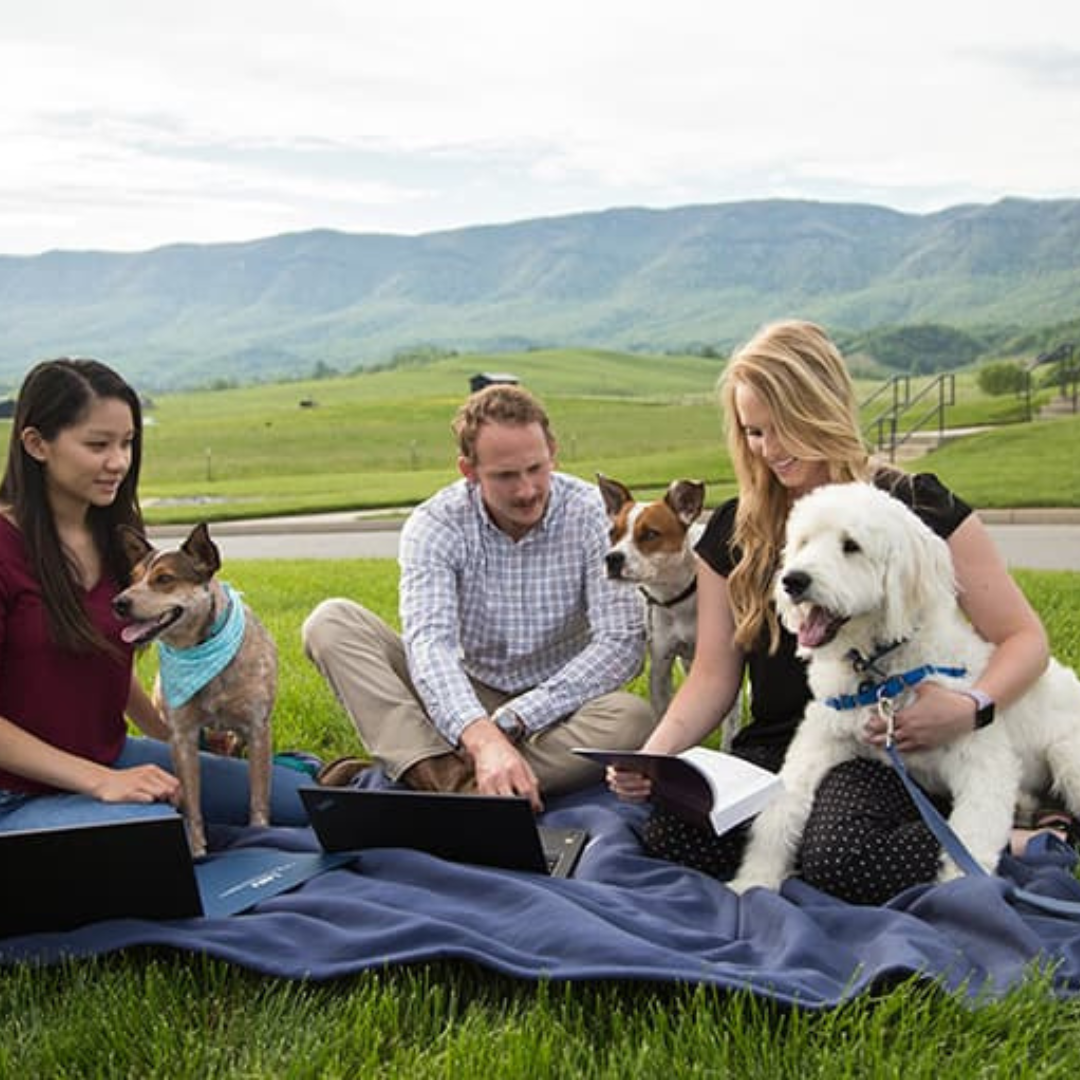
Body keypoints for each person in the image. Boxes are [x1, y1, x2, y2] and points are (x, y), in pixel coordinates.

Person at [609, 319, 1053, 904]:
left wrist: (968, 709)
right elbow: (714, 676)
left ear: (823, 406)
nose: (771, 450)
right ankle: (865, 840)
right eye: (755, 433)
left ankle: (1007, 837)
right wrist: (656, 756)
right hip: (774, 745)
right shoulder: (733, 528)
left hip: (881, 741)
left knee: (842, 859)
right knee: (674, 834)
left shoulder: (912, 506)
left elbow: (1025, 639)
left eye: (784, 425)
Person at [302, 383, 654, 810]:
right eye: (505, 476)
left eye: (536, 469)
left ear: (554, 452)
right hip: (465, 692)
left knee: (631, 719)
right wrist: (477, 732)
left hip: (560, 708)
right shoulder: (436, 524)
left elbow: (620, 644)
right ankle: (468, 787)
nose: (527, 490)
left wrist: (510, 723)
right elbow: (430, 646)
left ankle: (431, 777)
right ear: (468, 470)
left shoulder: (594, 515)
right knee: (331, 623)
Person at [0, 358, 311, 835]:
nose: (119, 462)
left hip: (109, 757)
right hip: (15, 793)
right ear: (37, 444)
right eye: (98, 445)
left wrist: (170, 737)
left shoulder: (113, 542)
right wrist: (102, 781)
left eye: (127, 443)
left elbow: (97, 657)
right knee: (154, 833)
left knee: (299, 803)